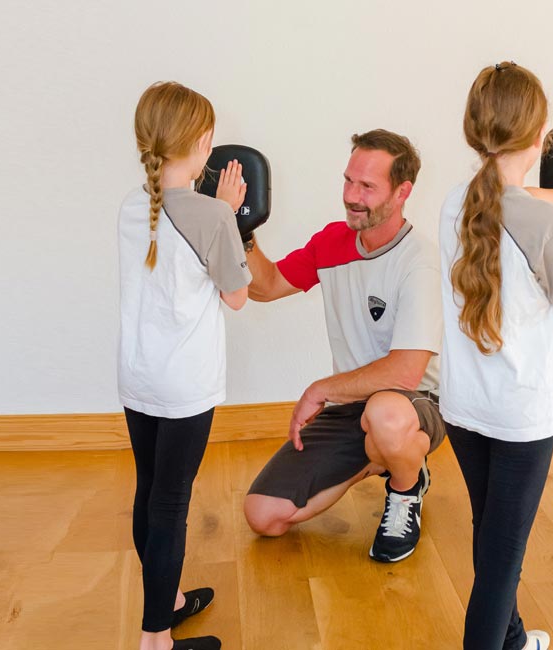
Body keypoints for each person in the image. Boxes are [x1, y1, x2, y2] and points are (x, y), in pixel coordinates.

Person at [240, 129, 449, 564]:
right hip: (354, 408)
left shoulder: (420, 262)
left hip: (416, 404)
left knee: (386, 416)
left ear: (402, 192)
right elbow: (266, 286)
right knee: (264, 516)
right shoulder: (332, 242)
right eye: (349, 181)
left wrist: (321, 389)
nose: (352, 196)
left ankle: (405, 490)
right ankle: (379, 458)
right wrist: (244, 233)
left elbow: (406, 373)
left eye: (368, 186)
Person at [439, 61, 553, 650]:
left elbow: (515, 200)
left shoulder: (457, 202)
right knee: (502, 561)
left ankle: (514, 640)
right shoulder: (546, 222)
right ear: (540, 134)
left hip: (465, 408)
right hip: (521, 417)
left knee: (491, 534)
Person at [117, 80, 251, 650]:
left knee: (150, 490)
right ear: (204, 141)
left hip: (137, 375)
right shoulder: (211, 217)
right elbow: (237, 296)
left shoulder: (131, 205)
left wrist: (213, 211)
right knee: (171, 501)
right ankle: (156, 641)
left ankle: (165, 599)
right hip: (185, 385)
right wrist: (225, 213)